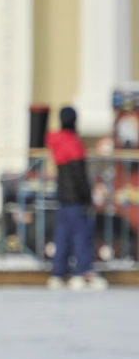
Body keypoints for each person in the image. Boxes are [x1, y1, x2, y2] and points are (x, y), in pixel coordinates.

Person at [45, 107, 107, 290]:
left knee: (62, 236)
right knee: (81, 235)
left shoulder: (56, 140)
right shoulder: (73, 142)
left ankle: (58, 273)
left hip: (63, 197)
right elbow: (79, 175)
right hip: (75, 198)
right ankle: (82, 272)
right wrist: (87, 197)